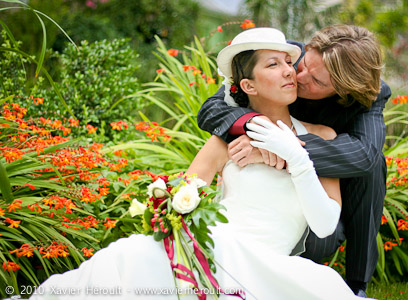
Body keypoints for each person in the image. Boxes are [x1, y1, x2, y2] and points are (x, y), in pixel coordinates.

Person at [31, 28, 367, 300]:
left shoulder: (323, 136)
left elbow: (324, 226)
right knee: (131, 260)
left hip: (271, 262)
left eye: (287, 62)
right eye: (272, 65)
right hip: (218, 245)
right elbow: (180, 200)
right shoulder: (226, 141)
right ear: (248, 85)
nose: (289, 72)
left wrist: (296, 156)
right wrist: (170, 211)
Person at [197, 25, 391, 297]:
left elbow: (364, 155)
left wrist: (285, 148)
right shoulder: (283, 56)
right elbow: (211, 110)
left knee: (374, 165)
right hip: (244, 220)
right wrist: (255, 129)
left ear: (344, 90)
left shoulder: (367, 94)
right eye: (302, 65)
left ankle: (357, 285)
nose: (297, 76)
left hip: (315, 219)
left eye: (318, 82)